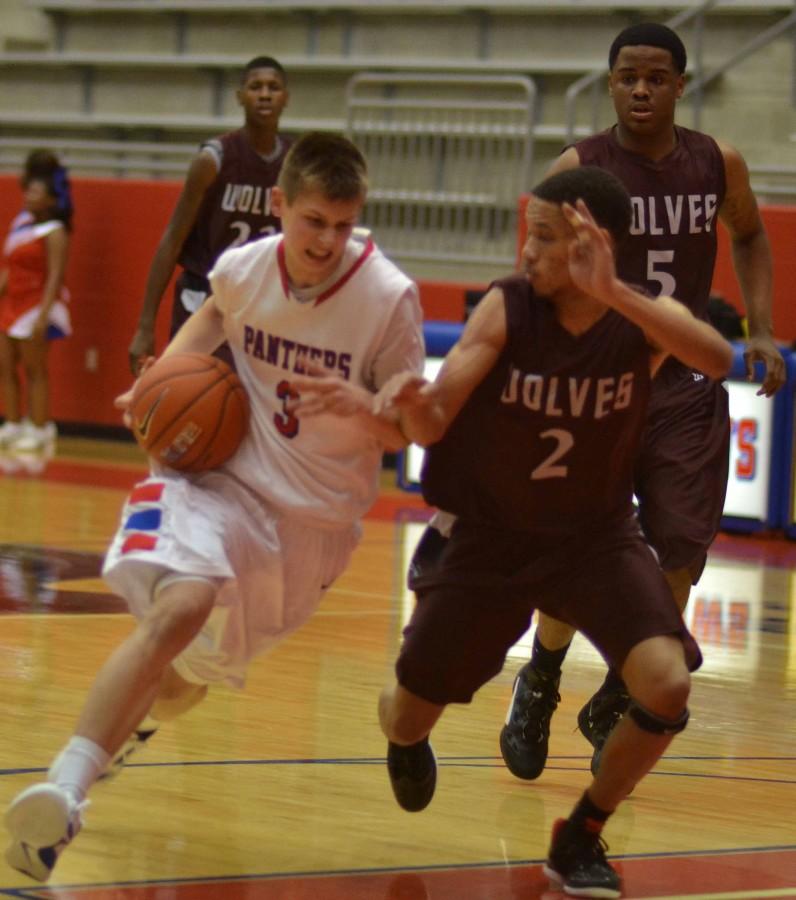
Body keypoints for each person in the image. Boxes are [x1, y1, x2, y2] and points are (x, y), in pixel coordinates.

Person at [296, 166, 733, 897]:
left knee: (667, 685)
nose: (528, 252)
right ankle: (403, 736)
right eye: (529, 233)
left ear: (598, 246)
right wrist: (389, 406)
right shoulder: (506, 308)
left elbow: (717, 359)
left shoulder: (637, 319)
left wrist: (615, 292)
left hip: (593, 537)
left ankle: (581, 835)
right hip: (491, 537)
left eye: (549, 239)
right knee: (409, 711)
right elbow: (433, 420)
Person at [3, 131, 425, 883]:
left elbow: (411, 428)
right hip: (222, 475)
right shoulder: (242, 267)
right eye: (312, 221)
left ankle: (134, 721)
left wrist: (366, 406)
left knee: (184, 681)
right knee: (181, 606)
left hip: (312, 524)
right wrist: (160, 379)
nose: (327, 239)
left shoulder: (388, 298)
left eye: (342, 222)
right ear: (279, 206)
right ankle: (63, 790)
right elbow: (209, 323)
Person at [498, 22, 786, 782]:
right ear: (611, 82)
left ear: (681, 85)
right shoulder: (580, 166)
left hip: (686, 387)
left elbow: (751, 237)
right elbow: (533, 269)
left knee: (680, 556)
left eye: (657, 77)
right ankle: (541, 679)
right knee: (579, 546)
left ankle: (618, 691)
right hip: (603, 384)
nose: (641, 90)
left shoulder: (716, 163)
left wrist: (761, 329)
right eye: (628, 77)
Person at [127, 55, 291, 375]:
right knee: (189, 396)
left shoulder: (293, 164)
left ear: (286, 97)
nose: (265, 94)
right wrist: (145, 325)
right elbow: (172, 239)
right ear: (240, 96)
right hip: (203, 294)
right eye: (255, 86)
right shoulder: (213, 159)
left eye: (274, 87)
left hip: (259, 303)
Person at [0, 149, 73, 452]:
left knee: (35, 369)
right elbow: (9, 267)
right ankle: (13, 422)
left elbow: (56, 276)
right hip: (11, 302)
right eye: (28, 190)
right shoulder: (20, 225)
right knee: (5, 365)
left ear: (51, 200)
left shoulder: (55, 231)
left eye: (36, 191)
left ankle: (40, 426)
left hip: (35, 304)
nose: (28, 195)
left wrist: (44, 315)